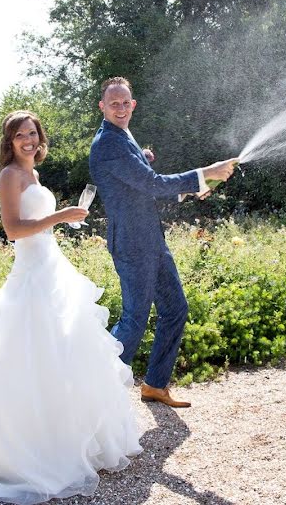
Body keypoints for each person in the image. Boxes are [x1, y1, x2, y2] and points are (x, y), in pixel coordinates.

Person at [0, 110, 142, 504]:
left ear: (40, 138)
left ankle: (64, 437)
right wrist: (59, 216)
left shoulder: (35, 175)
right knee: (27, 354)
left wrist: (60, 220)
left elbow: (37, 223)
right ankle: (27, 446)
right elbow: (12, 230)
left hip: (51, 268)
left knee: (63, 353)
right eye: (19, 135)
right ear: (9, 143)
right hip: (30, 274)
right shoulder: (10, 175)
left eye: (32, 133)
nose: (27, 140)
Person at [89, 77, 237, 408]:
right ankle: (93, 392)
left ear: (133, 104)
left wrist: (188, 187)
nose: (121, 108)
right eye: (114, 103)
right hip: (131, 245)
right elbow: (152, 184)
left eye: (125, 102)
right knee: (134, 319)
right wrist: (205, 173)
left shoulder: (123, 137)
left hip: (151, 241)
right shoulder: (107, 142)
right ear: (102, 107)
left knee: (175, 309)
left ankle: (155, 385)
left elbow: (139, 186)